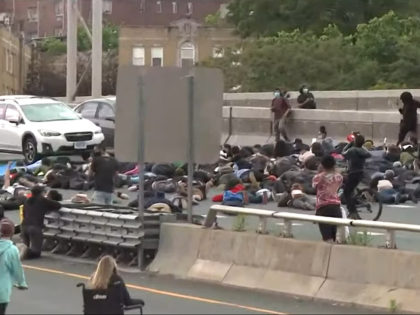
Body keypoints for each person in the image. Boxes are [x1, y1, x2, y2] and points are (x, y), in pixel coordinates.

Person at [20, 186, 61, 260]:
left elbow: (24, 214)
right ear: (41, 193)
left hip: (24, 226)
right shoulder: (42, 200)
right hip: (35, 227)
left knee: (26, 245)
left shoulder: (27, 201)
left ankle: (21, 250)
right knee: (36, 252)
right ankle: (23, 252)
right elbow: (57, 205)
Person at [312, 156, 343, 242]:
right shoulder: (339, 177)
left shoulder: (317, 177)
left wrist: (320, 172)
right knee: (333, 235)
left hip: (323, 207)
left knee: (326, 236)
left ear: (322, 165)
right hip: (336, 207)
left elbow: (314, 187)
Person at [0, 219, 28, 314]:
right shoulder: (12, 250)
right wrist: (21, 283)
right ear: (12, 233)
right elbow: (17, 269)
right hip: (2, 292)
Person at [342, 134, 371, 219]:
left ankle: (353, 212)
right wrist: (361, 146)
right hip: (361, 172)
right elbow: (368, 153)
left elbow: (343, 153)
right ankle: (354, 206)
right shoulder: (364, 151)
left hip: (353, 172)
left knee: (346, 192)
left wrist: (350, 143)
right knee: (351, 190)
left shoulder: (352, 150)